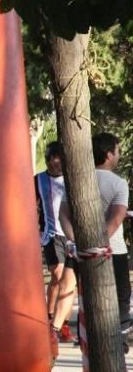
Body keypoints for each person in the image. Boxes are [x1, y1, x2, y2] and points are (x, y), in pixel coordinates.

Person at [61, 132, 130, 327]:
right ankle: (120, 340)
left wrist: (75, 241)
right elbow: (116, 219)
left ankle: (90, 339)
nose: (119, 155)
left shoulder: (77, 180)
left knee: (90, 296)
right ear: (109, 154)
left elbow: (63, 214)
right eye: (117, 151)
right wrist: (99, 245)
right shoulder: (119, 183)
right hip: (112, 251)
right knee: (121, 298)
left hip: (81, 250)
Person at [34, 142, 76, 343]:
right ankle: (49, 320)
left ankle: (63, 325)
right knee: (58, 275)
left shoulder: (72, 180)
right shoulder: (38, 180)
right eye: (51, 158)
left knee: (69, 281)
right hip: (51, 235)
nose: (54, 162)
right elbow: (27, 204)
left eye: (57, 157)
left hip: (70, 234)